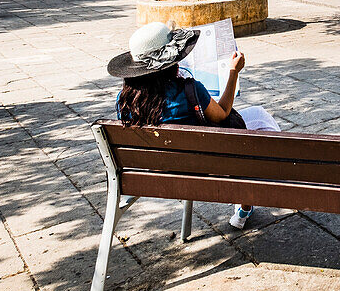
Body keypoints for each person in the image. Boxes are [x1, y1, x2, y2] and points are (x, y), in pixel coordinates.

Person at [107, 21, 280, 230]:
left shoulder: (125, 100)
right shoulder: (190, 90)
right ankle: (255, 194)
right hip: (206, 168)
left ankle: (245, 204)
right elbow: (222, 114)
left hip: (158, 173)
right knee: (259, 118)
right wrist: (234, 72)